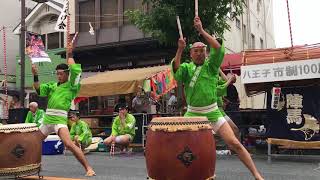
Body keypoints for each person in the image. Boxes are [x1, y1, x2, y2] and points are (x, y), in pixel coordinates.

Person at [171, 16, 263, 180]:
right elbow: (176, 72)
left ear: (206, 53)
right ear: (190, 54)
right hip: (192, 114)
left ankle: (257, 175)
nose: (199, 54)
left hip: (213, 112)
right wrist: (179, 49)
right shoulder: (186, 68)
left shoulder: (211, 66)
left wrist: (201, 31)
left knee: (234, 143)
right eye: (195, 51)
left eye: (202, 51)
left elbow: (218, 48)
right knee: (182, 148)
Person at [31, 45, 95, 176]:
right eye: (57, 74)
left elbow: (74, 69)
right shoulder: (52, 86)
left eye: (61, 74)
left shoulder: (72, 86)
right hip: (47, 119)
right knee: (34, 142)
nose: (58, 76)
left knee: (69, 144)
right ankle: (36, 166)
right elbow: (38, 90)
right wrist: (36, 75)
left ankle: (88, 168)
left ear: (67, 74)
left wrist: (70, 54)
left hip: (59, 120)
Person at [217, 69, 240, 139]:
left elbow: (226, 80)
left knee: (235, 130)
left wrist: (219, 69)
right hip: (214, 109)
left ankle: (234, 149)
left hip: (220, 109)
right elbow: (219, 91)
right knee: (228, 132)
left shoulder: (216, 77)